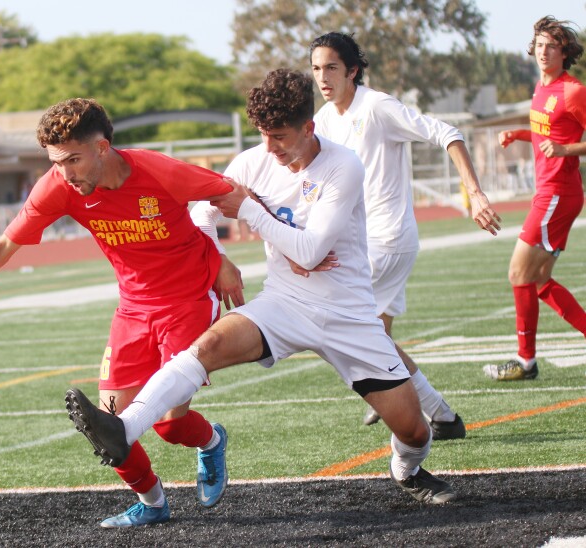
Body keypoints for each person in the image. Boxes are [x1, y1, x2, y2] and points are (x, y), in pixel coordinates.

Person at [66, 69, 457, 507]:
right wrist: (219, 260)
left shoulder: (343, 165)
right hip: (284, 303)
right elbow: (201, 214)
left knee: (413, 430)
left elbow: (309, 252)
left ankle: (406, 469)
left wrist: (251, 211)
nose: (269, 148)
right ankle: (125, 428)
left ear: (309, 128)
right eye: (262, 136)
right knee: (207, 346)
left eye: (279, 137)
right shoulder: (252, 162)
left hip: (348, 314)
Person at [0, 98, 244, 528]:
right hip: (132, 309)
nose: (64, 173)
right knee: (107, 429)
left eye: (72, 160)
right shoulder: (58, 187)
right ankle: (152, 503)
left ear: (102, 148)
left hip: (188, 299)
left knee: (170, 427)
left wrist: (221, 255)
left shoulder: (159, 170)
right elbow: (7, 245)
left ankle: (210, 441)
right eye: (56, 162)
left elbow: (230, 192)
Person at [309, 32, 502, 434]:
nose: (322, 77)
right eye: (316, 68)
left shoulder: (378, 107)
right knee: (373, 331)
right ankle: (409, 402)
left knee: (342, 326)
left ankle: (428, 408)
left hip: (387, 239)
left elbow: (448, 134)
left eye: (331, 67)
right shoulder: (326, 119)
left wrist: (476, 194)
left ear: (352, 71)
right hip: (360, 242)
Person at [486, 16, 586, 381]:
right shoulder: (541, 87)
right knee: (540, 279)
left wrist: (566, 149)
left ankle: (525, 360)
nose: (544, 52)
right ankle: (528, 359)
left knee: (517, 273)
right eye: (540, 45)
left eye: (552, 46)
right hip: (548, 192)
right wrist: (519, 134)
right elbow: (547, 131)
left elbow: (561, 141)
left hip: (559, 194)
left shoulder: (573, 91)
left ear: (564, 53)